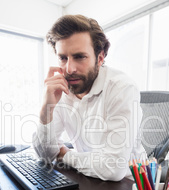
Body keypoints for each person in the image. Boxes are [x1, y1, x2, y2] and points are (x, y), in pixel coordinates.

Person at [32, 14, 145, 181]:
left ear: (99, 58)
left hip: (128, 188)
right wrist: (45, 111)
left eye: (79, 57)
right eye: (63, 58)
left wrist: (65, 155)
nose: (69, 69)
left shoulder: (121, 88)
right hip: (87, 177)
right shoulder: (62, 89)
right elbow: (46, 155)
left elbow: (113, 168)